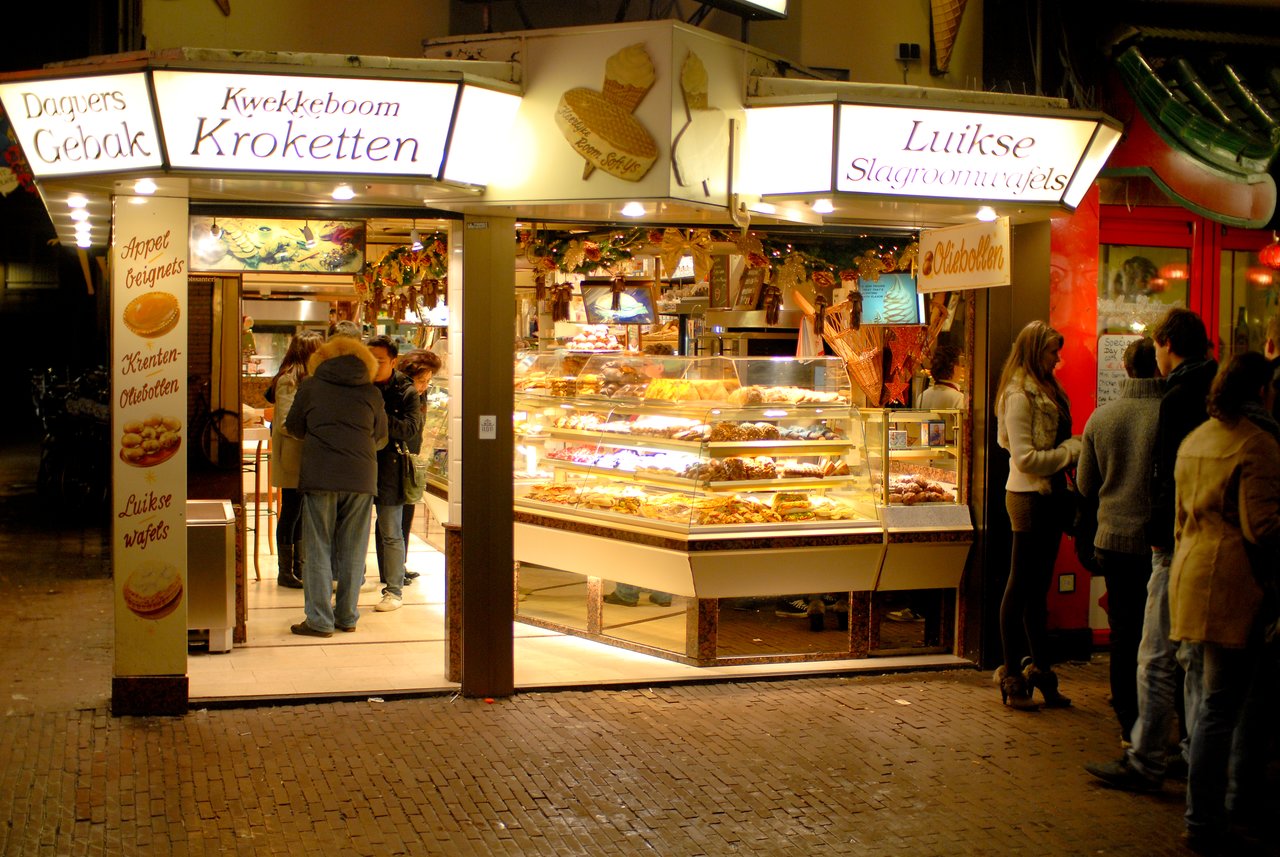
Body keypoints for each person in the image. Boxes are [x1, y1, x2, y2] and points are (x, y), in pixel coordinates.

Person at [1086, 306, 1217, 791]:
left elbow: (1165, 477)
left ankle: (1146, 757)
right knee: (1192, 660)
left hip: (1163, 540)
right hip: (1200, 543)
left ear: (1166, 344)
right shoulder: (1210, 390)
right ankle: (1191, 753)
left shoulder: (1176, 399)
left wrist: (1161, 529)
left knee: (1152, 652)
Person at [1167, 353, 1280, 852]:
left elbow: (1178, 519)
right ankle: (1213, 814)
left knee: (1212, 698)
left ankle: (1216, 809)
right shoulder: (1258, 444)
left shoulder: (1197, 439)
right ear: (1262, 391)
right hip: (1235, 582)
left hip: (1191, 575)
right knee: (1226, 705)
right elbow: (1263, 527)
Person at [1076, 338, 1163, 740]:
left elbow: (1085, 484)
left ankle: (1129, 725)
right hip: (1160, 542)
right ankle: (1162, 725)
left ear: (1125, 370)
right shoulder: (1171, 415)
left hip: (1113, 539)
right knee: (1161, 635)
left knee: (1124, 634)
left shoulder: (1102, 417)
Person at [993, 320, 1081, 710]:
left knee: (1038, 590)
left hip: (1051, 496)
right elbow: (1024, 457)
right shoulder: (1019, 395)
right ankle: (1012, 675)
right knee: (1019, 587)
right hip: (1028, 497)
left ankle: (1040, 671)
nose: (1057, 359)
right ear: (1034, 352)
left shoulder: (1047, 389)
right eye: (1052, 352)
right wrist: (1070, 453)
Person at [284, 332, 387, 637]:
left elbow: (294, 427)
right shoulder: (371, 392)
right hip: (361, 478)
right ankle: (347, 616)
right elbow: (380, 438)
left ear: (324, 359)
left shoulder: (311, 387)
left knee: (318, 547)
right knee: (354, 549)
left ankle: (319, 620)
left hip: (321, 475)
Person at [366, 335, 424, 613]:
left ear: (393, 361)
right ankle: (352, 581)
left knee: (391, 531)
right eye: (368, 360)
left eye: (378, 361)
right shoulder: (358, 385)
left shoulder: (406, 390)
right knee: (352, 530)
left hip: (391, 467)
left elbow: (410, 429)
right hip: (359, 466)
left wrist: (377, 416)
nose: (372, 366)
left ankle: (393, 590)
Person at [267, 330, 323, 589]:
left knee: (299, 512)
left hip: (303, 456)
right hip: (292, 455)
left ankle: (298, 566)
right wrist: (315, 430)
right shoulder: (289, 379)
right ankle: (285, 570)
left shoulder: (305, 378)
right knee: (290, 512)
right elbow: (286, 423)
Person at [395, 348, 443, 565]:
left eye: (427, 381)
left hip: (412, 462)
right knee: (394, 518)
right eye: (421, 380)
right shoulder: (400, 396)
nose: (424, 386)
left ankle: (400, 565)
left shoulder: (420, 396)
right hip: (397, 461)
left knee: (406, 514)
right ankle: (394, 567)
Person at [920, 345, 964, 410]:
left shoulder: (922, 396)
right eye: (961, 365)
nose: (962, 369)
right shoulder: (959, 398)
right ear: (955, 368)